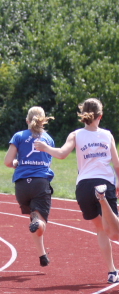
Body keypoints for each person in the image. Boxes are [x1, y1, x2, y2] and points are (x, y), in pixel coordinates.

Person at [34, 99, 119, 283]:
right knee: (114, 233)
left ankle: (112, 272)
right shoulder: (107, 135)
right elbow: (117, 164)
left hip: (83, 187)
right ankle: (102, 198)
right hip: (104, 182)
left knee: (101, 229)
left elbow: (61, 154)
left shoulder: (75, 134)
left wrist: (45, 148)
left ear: (83, 114)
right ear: (100, 116)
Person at [4, 107, 55, 267]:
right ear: (43, 120)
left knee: (34, 218)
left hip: (21, 185)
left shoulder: (18, 136)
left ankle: (42, 255)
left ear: (27, 120)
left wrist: (16, 163)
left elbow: (7, 161)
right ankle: (38, 223)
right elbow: (48, 161)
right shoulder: (48, 139)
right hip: (40, 183)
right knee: (40, 222)